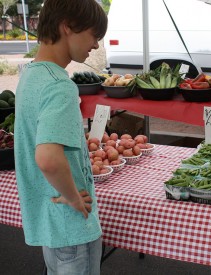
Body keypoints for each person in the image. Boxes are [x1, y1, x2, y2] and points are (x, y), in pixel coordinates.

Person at [14, 0, 108, 274]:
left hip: (50, 223)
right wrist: (74, 198)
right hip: (71, 226)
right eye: (94, 35)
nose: (96, 45)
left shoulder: (31, 75)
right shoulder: (60, 86)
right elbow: (48, 158)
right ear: (67, 27)